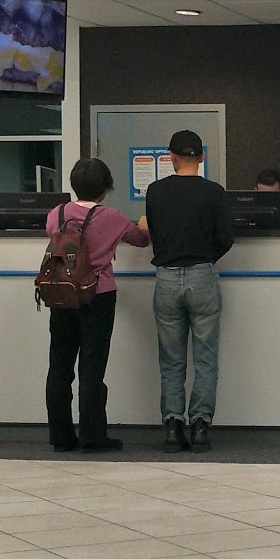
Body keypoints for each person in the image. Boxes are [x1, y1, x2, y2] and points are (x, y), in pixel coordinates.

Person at [44, 158, 147, 453]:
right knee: (92, 367)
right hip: (98, 296)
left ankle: (61, 436)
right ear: (105, 189)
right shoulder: (112, 217)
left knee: (59, 366)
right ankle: (92, 435)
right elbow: (141, 240)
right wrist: (143, 222)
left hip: (62, 294)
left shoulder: (56, 213)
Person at [142, 129, 234, 453]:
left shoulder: (155, 191)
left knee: (171, 359)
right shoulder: (214, 192)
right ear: (202, 157)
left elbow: (154, 232)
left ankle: (172, 426)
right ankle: (200, 427)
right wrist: (206, 258)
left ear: (171, 157)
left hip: (166, 278)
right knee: (205, 358)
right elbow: (226, 238)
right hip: (202, 275)